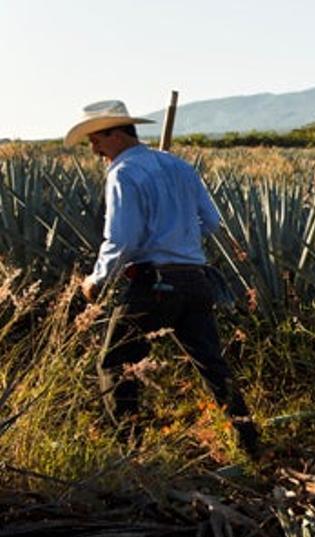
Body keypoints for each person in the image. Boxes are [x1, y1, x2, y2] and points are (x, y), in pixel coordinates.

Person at [65, 100, 260, 458]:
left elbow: (122, 239)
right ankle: (252, 446)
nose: (94, 149)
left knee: (115, 363)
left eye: (96, 139)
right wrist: (179, 236)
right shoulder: (180, 166)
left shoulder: (123, 173)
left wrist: (97, 279)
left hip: (153, 284)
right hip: (195, 281)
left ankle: (129, 452)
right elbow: (213, 223)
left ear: (117, 132)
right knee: (212, 366)